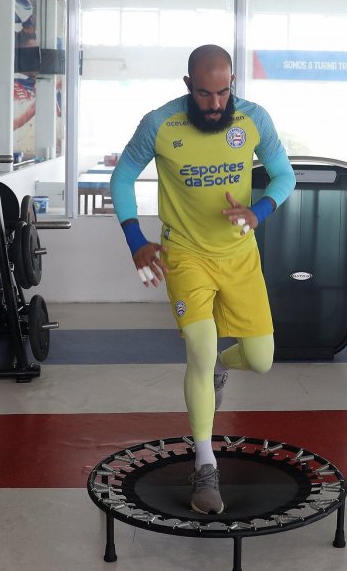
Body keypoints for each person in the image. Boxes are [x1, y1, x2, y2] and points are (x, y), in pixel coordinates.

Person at [108, 45, 295, 514]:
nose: (215, 103)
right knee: (200, 345)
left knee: (262, 359)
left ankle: (220, 367)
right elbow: (122, 178)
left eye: (224, 91)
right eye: (206, 93)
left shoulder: (253, 119)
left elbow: (284, 176)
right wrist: (136, 240)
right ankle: (206, 463)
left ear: (233, 82)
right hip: (184, 253)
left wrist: (259, 210)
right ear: (188, 86)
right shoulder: (160, 124)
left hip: (239, 255)